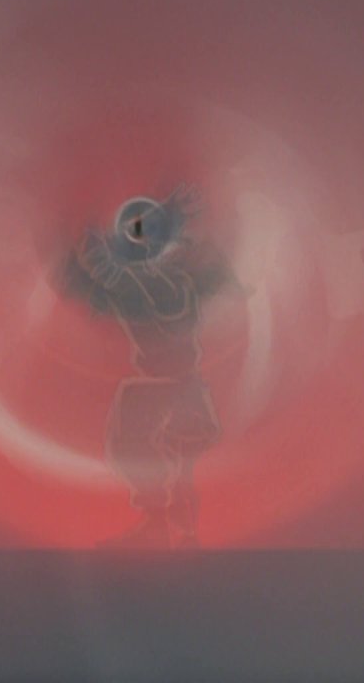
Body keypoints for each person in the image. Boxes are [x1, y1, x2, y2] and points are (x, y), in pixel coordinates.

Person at [57, 185, 245, 548]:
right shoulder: (163, 281)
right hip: (179, 389)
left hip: (166, 390)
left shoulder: (158, 284)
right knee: (173, 468)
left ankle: (171, 531)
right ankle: (171, 531)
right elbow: (106, 286)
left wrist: (86, 230)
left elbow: (109, 272)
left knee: (139, 452)